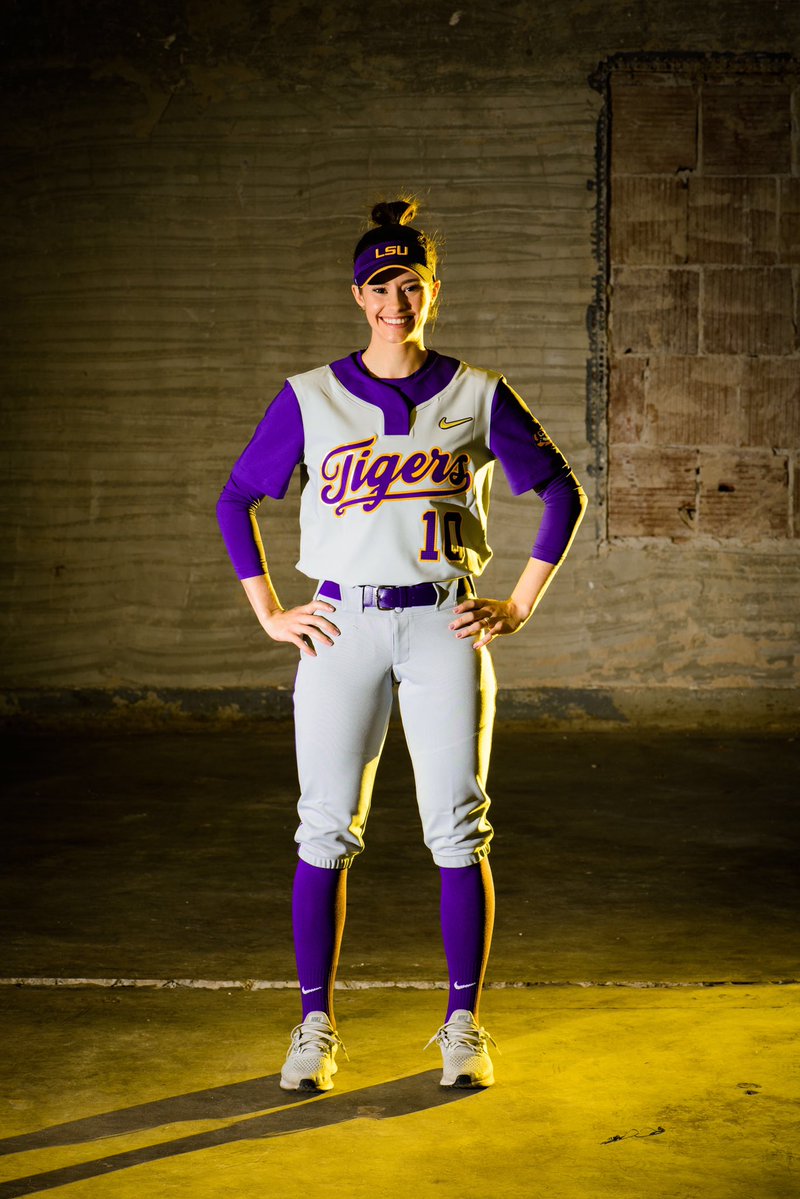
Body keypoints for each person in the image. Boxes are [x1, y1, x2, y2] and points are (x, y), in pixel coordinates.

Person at [216, 198, 586, 1093]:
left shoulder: (477, 393)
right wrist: (271, 612)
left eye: (409, 282)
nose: (395, 299)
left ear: (432, 290)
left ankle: (463, 1024)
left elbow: (562, 491)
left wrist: (520, 604)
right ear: (358, 294)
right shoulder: (310, 395)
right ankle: (314, 1025)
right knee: (323, 828)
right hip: (341, 623)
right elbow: (236, 498)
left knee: (459, 825)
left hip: (442, 624)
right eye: (380, 285)